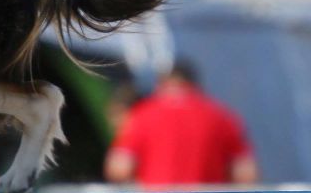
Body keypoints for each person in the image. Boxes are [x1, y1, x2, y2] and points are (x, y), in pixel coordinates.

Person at [105, 61, 258, 186]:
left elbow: (120, 168)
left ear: (161, 84)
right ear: (194, 84)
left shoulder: (142, 115)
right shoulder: (222, 115)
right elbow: (245, 174)